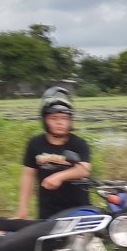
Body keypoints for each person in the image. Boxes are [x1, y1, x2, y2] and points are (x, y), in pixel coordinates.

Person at [17, 90, 92, 219]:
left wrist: (59, 176)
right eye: (54, 118)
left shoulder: (78, 143)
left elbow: (84, 170)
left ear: (70, 121)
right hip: (48, 211)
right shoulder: (35, 143)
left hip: (78, 210)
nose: (59, 122)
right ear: (45, 120)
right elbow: (28, 176)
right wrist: (23, 208)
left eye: (64, 118)